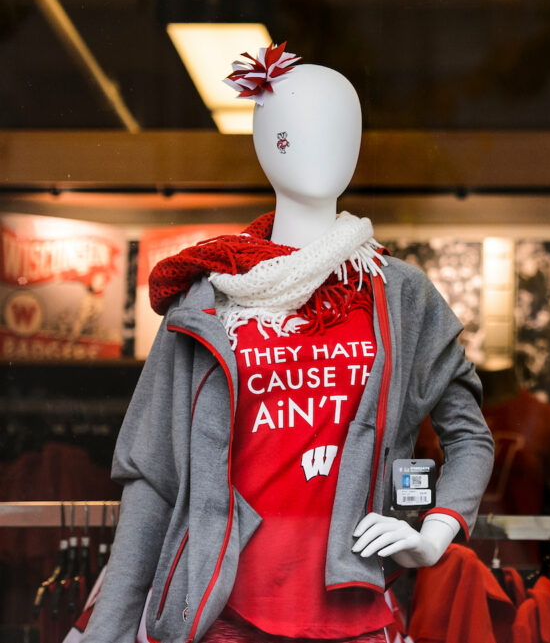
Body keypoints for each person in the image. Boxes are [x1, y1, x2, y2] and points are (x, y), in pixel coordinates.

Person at [84, 46, 494, 643]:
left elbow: (468, 436)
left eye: (341, 132)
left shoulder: (399, 296)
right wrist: (107, 633)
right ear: (265, 143)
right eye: (296, 132)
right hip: (222, 614)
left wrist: (434, 533)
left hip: (354, 611)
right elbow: (153, 477)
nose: (323, 147)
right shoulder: (209, 299)